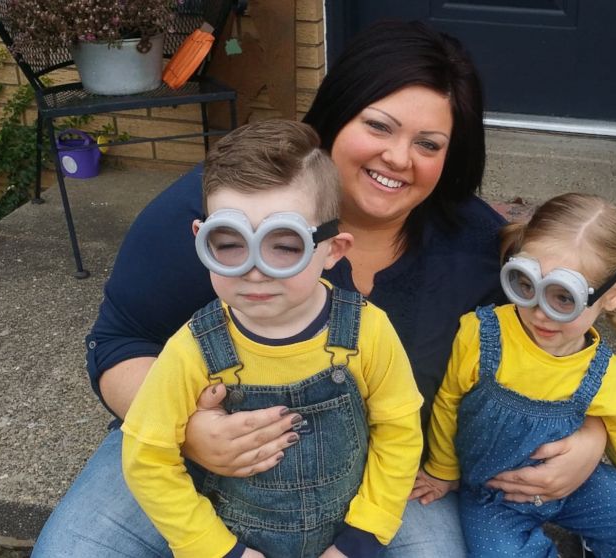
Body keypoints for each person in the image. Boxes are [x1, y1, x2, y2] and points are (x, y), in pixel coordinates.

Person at [33, 20, 610, 558]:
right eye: (378, 126)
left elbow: (554, 342)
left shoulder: (477, 246)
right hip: (189, 464)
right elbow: (118, 342)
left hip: (380, 474)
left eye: (429, 144)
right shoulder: (225, 214)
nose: (398, 157)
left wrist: (591, 434)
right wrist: (188, 432)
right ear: (336, 116)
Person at [121, 119, 423, 558]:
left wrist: (363, 537)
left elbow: (398, 433)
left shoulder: (367, 331)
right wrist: (216, 549)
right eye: (228, 244)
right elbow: (146, 457)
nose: (254, 268)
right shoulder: (194, 348)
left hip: (348, 537)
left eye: (285, 245)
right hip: (235, 542)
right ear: (200, 240)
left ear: (333, 250)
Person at [413, 193, 616, 557]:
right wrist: (443, 470)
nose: (539, 312)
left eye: (564, 297)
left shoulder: (604, 372)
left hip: (572, 487)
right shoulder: (481, 335)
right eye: (525, 284)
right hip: (493, 496)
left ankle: (591, 542)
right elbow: (448, 403)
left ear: (612, 295)